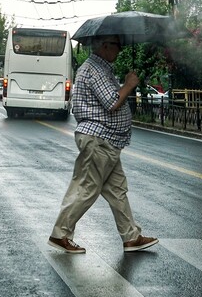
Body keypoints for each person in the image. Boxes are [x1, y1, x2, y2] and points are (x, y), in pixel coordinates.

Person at [48, 35, 158, 254]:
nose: (120, 50)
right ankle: (60, 234)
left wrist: (125, 85)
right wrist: (128, 85)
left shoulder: (101, 69)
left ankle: (131, 237)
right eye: (117, 46)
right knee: (86, 188)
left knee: (117, 190)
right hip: (99, 139)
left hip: (107, 141)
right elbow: (112, 103)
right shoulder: (94, 70)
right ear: (105, 46)